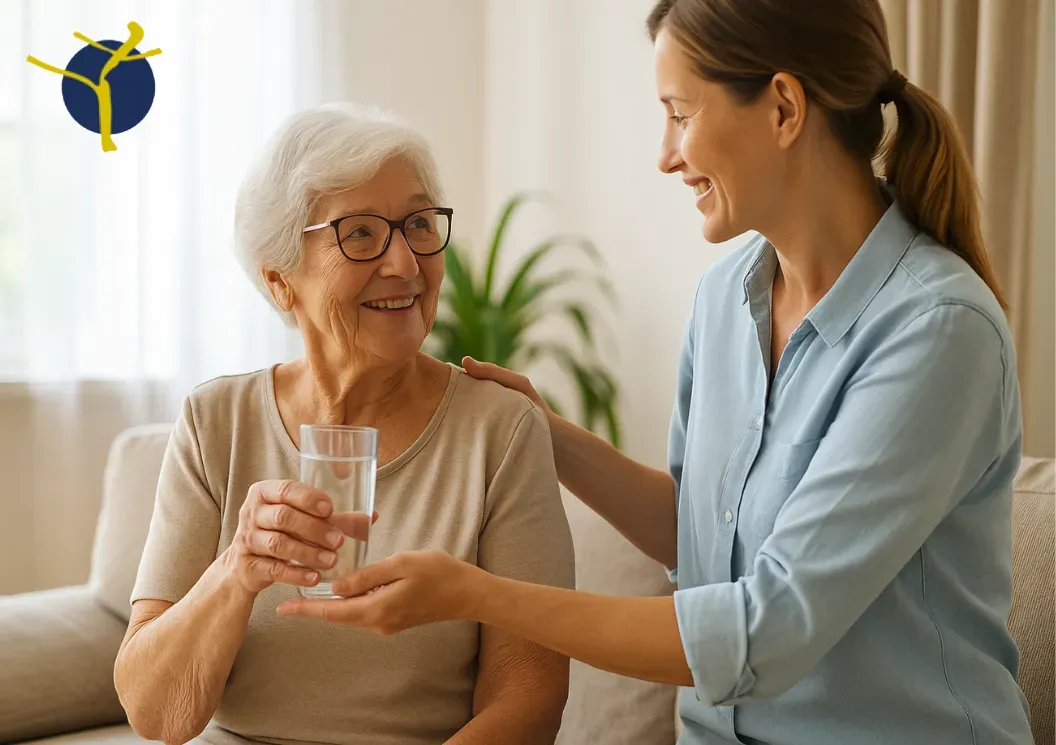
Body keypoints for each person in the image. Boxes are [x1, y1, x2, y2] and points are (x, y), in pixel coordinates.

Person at [275, 2, 1036, 743]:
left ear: (782, 109)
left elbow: (763, 630)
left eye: (680, 113)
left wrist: (475, 595)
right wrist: (549, 436)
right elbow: (700, 535)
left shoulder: (936, 331)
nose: (665, 154)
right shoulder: (725, 299)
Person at [113, 103, 575, 745]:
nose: (406, 264)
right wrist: (237, 571)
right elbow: (155, 714)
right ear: (280, 282)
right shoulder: (215, 421)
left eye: (417, 224)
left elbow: (530, 695)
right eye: (359, 234)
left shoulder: (499, 430)